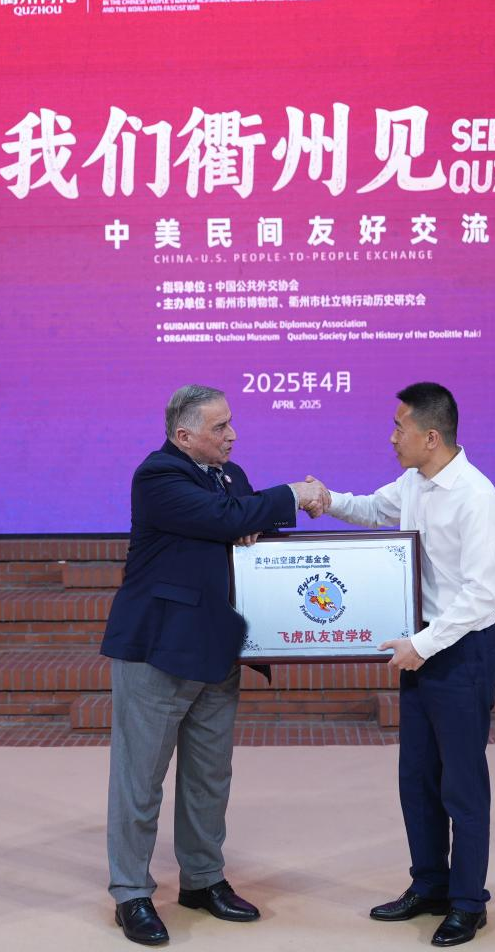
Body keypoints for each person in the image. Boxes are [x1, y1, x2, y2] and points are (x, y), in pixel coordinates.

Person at [100, 384, 325, 946]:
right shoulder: (158, 476)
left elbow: (245, 523)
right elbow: (226, 518)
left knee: (209, 778)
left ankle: (202, 881)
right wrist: (289, 495)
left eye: (230, 423)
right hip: (158, 651)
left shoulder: (231, 476)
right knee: (139, 781)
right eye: (219, 427)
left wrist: (246, 519)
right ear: (184, 435)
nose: (232, 435)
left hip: (217, 650)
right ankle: (131, 893)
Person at [310, 382, 495, 948]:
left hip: (461, 651)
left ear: (432, 436)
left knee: (462, 783)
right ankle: (429, 886)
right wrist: (326, 500)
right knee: (418, 777)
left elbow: (480, 596)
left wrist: (424, 644)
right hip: (424, 647)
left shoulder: (477, 498)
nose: (392, 437)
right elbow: (375, 509)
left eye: (400, 428)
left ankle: (468, 903)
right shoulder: (416, 482)